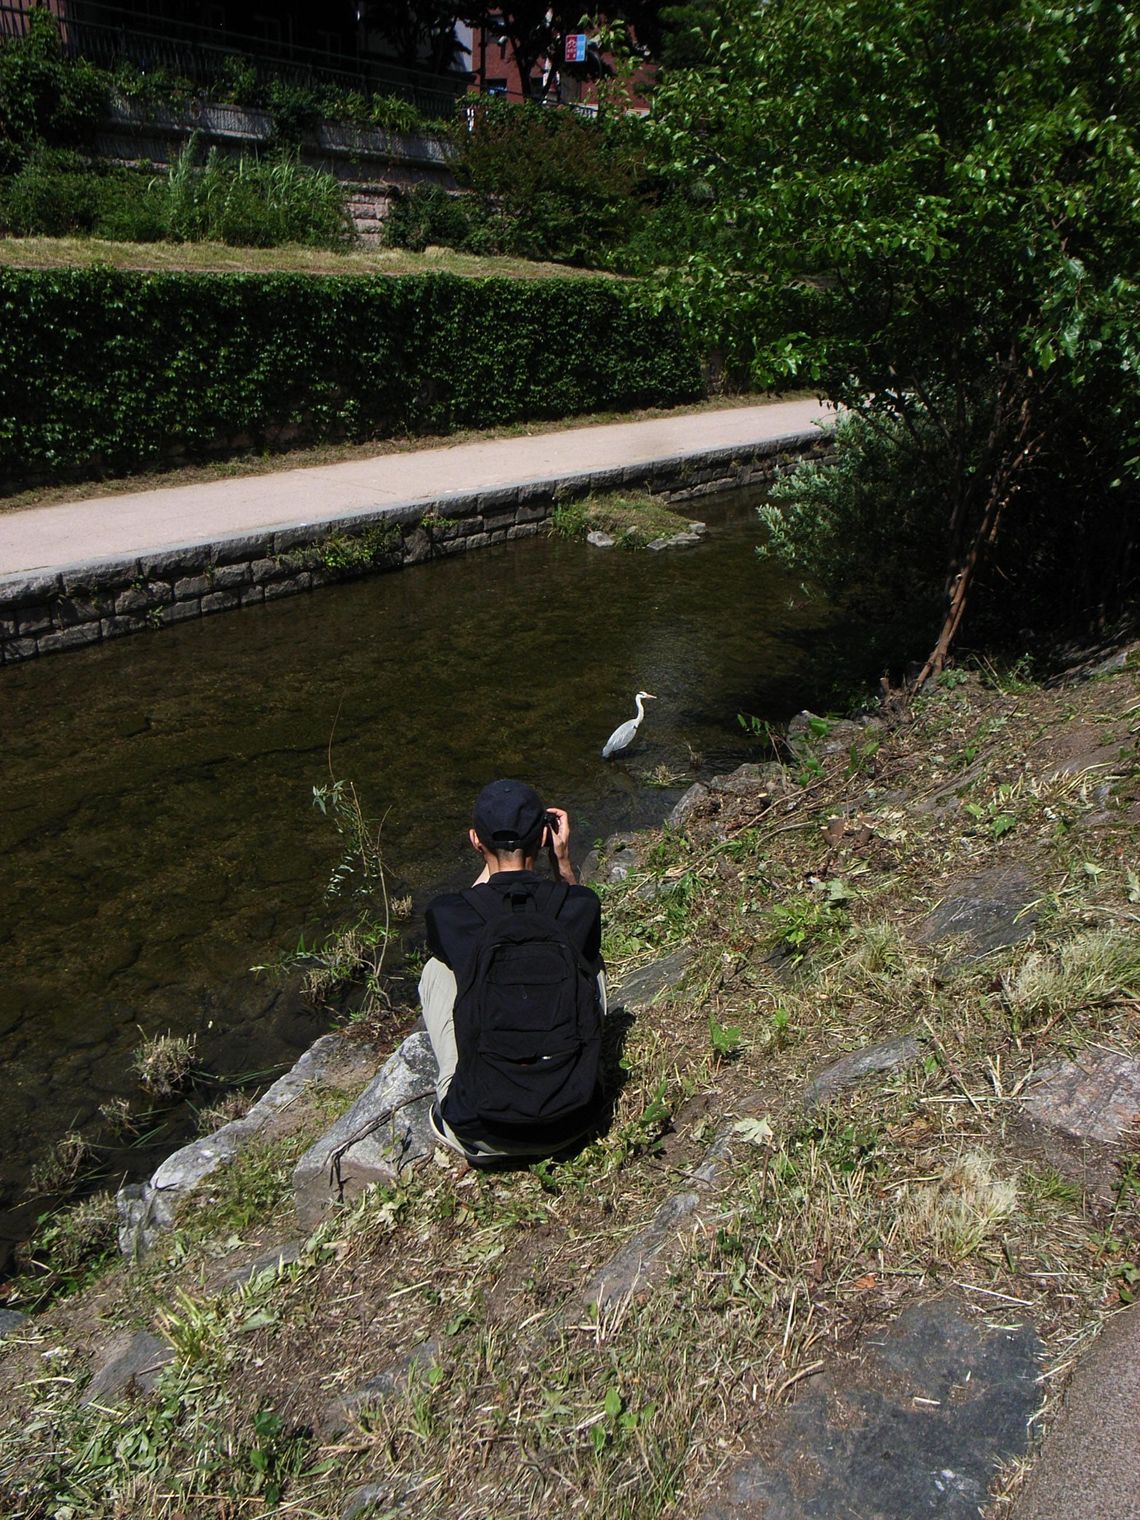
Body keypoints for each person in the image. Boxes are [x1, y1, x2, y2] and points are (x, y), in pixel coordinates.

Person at [420, 778, 606, 1165]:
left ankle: (458, 1085)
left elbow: (472, 907)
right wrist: (564, 863)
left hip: (481, 1129)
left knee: (439, 967)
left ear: (475, 841)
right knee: (587, 957)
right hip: (575, 1118)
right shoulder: (580, 905)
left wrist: (491, 865)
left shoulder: (448, 914)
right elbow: (575, 905)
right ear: (544, 836)